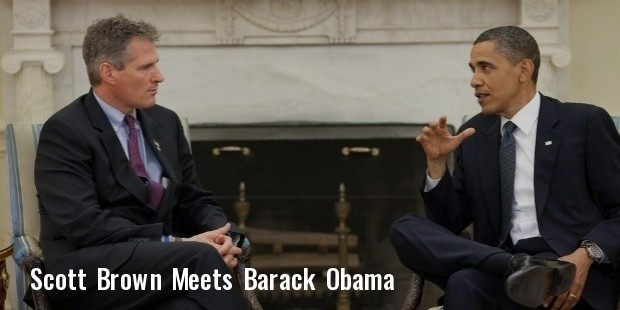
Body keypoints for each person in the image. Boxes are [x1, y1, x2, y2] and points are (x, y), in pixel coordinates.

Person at [390, 25, 619, 309]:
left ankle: (541, 272)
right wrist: (437, 165)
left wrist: (584, 256)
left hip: (567, 273)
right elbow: (449, 224)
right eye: (472, 68)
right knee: (405, 228)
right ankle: (520, 265)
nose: (474, 80)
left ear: (523, 70)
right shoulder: (473, 133)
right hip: (503, 270)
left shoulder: (583, 122)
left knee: (463, 282)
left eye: (485, 67)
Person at [34, 15, 249, 309]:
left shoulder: (166, 121)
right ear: (109, 72)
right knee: (200, 257)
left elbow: (193, 199)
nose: (159, 76)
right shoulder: (66, 131)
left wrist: (221, 235)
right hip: (90, 272)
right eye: (146, 67)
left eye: (155, 64)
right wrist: (177, 244)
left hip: (162, 268)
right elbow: (85, 224)